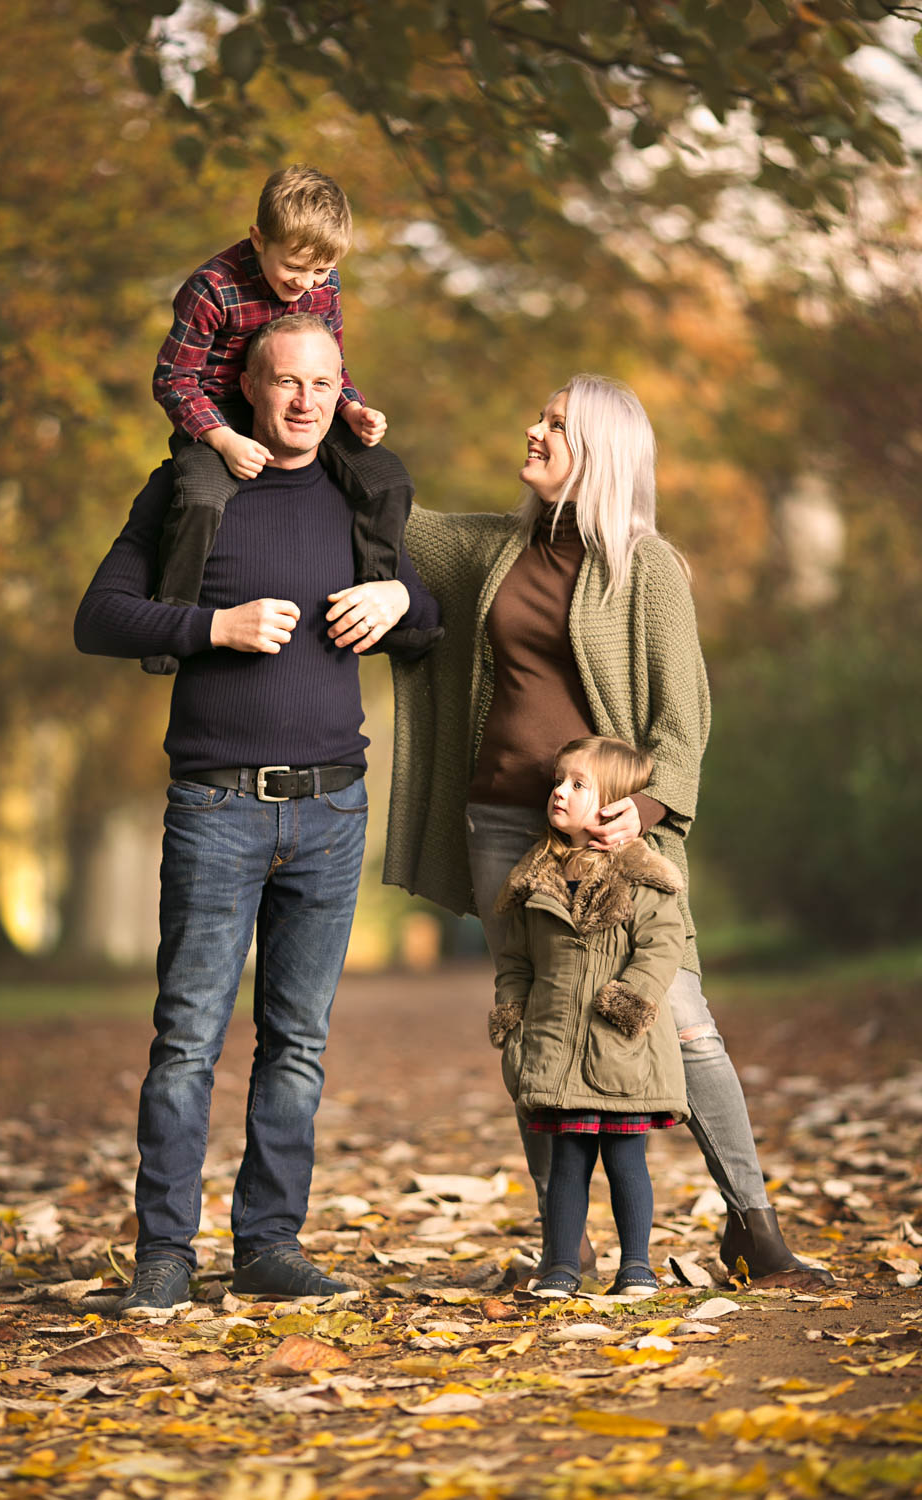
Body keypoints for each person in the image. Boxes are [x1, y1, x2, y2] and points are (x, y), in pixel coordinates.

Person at [385, 373, 832, 1287]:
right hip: (506, 828)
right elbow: (400, 519)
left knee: (683, 1018)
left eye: (555, 422)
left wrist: (649, 806)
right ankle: (566, 1246)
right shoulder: (496, 550)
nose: (533, 429)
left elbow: (683, 716)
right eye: (538, 415)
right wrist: (349, 421)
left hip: (614, 835)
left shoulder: (647, 566)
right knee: (536, 1025)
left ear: (601, 449)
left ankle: (753, 1225)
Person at [74, 315, 441, 1316]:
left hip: (332, 809)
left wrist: (400, 605)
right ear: (246, 382)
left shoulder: (359, 486)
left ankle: (270, 1246)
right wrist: (211, 628)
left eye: (321, 383)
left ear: (340, 388)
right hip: (215, 808)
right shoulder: (190, 485)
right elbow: (97, 617)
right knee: (188, 1036)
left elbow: (426, 613)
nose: (303, 401)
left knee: (298, 1042)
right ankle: (165, 1256)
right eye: (284, 382)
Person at [145, 163, 409, 675]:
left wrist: (352, 408)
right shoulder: (212, 288)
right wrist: (222, 440)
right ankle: (170, 625)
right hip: (217, 416)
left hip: (300, 409)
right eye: (294, 268)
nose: (306, 283)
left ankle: (374, 606)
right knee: (199, 499)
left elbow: (330, 363)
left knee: (388, 480)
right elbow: (173, 379)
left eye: (319, 272)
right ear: (258, 238)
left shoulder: (323, 281)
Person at [490, 734, 689, 1298]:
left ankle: (636, 1264)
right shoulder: (536, 881)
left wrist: (629, 1000)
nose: (559, 792)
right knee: (567, 1163)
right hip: (555, 1047)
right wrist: (513, 1013)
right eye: (559, 780)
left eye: (578, 784)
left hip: (620, 1048)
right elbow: (516, 959)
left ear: (612, 803)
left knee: (627, 1162)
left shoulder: (642, 876)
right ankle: (561, 1264)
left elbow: (663, 945)